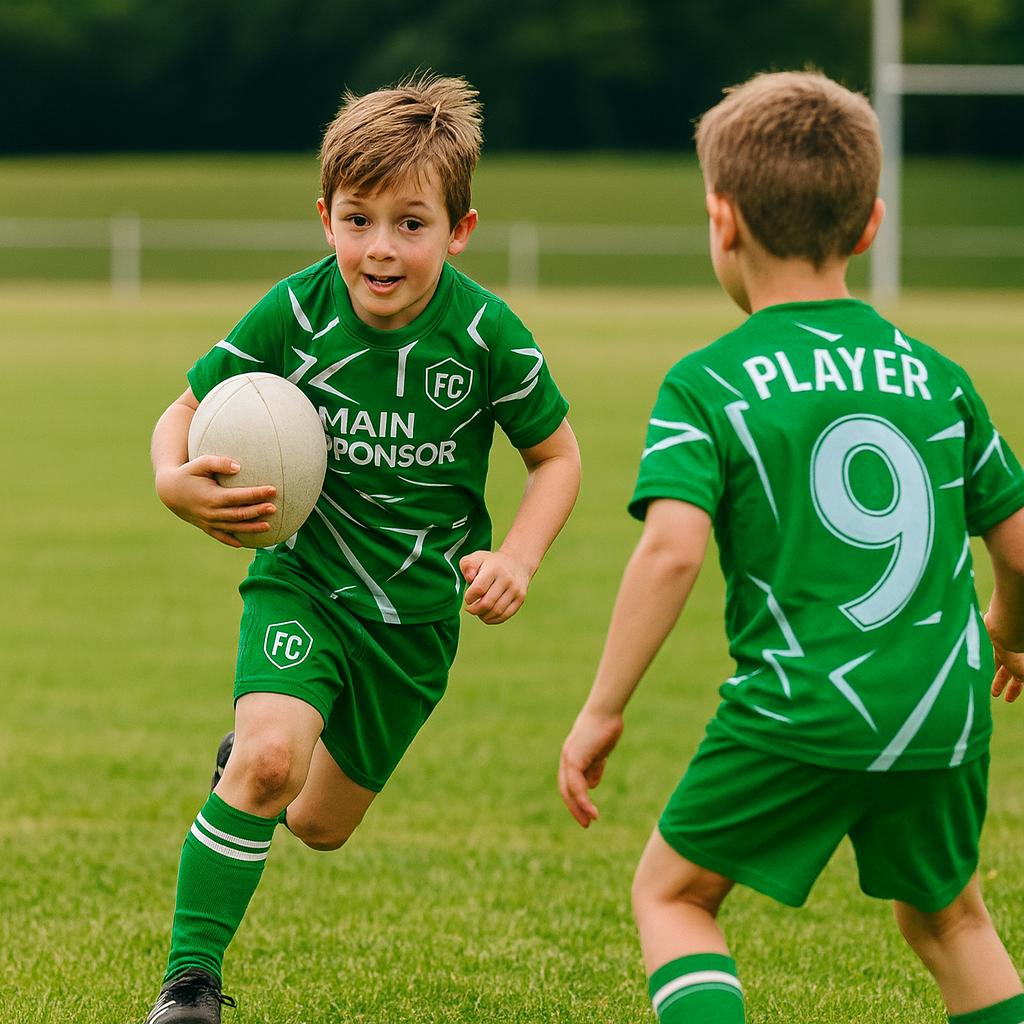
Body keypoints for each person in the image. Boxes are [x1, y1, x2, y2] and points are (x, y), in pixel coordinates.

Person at [558, 70, 1024, 1024]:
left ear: (721, 220)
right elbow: (1019, 550)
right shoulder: (939, 378)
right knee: (954, 925)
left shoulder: (704, 384)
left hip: (801, 708)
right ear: (870, 224)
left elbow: (672, 553)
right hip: (940, 713)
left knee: (675, 896)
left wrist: (603, 710)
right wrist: (1007, 632)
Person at [146, 73, 580, 1024]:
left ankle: (264, 758)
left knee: (318, 822)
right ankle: (189, 986)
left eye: (411, 223)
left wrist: (520, 556)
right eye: (358, 219)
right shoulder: (293, 314)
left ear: (458, 231)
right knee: (266, 763)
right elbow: (183, 410)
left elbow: (557, 457)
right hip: (303, 585)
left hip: (414, 622)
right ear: (326, 218)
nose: (381, 248)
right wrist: (172, 481)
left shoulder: (485, 334)